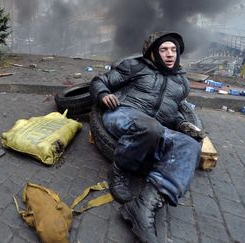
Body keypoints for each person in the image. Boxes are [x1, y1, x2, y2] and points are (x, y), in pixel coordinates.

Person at [90, 31, 205, 242]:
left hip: (154, 127)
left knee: (190, 146)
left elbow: (172, 113)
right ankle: (119, 171)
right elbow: (100, 80)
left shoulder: (182, 83)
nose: (170, 54)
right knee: (151, 128)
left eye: (174, 50)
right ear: (153, 53)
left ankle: (144, 205)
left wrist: (182, 124)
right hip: (123, 113)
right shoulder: (135, 66)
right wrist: (103, 94)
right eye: (164, 50)